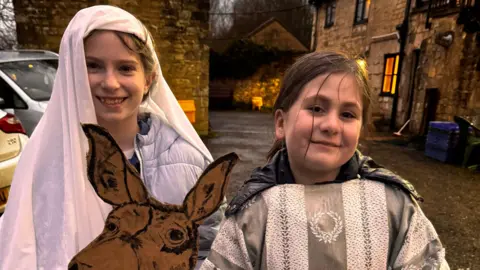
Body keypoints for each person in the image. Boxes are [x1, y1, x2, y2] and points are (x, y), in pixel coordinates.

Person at [0, 5, 223, 269]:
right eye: (93, 66)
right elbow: (24, 247)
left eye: (126, 68)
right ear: (72, 73)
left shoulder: (187, 160)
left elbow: (209, 247)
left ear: (148, 79)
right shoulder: (43, 162)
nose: (110, 82)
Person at [201, 51, 450, 270]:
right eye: (316, 109)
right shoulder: (253, 213)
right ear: (281, 123)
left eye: (347, 114)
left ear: (361, 128)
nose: (331, 125)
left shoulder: (394, 206)